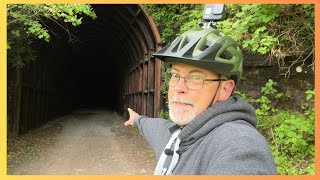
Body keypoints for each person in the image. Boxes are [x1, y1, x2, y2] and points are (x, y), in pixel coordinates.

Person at [124, 27, 277, 175]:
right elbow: (157, 128)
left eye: (196, 78)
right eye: (175, 75)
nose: (179, 88)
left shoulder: (240, 145)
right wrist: (137, 119)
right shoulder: (179, 136)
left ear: (225, 89)